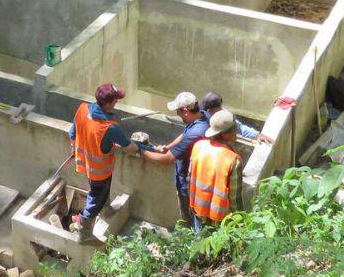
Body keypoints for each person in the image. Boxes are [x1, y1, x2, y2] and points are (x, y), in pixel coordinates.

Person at [68, 83, 143, 242]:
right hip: (99, 171)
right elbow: (129, 147)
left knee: (101, 193)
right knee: (96, 199)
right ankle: (85, 234)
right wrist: (141, 146)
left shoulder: (83, 109)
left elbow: (72, 133)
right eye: (115, 100)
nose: (117, 102)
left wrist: (73, 149)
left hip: (87, 164)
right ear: (108, 103)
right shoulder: (109, 128)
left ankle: (106, 211)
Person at [140, 91, 209, 228]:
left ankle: (191, 240)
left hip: (188, 185)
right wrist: (168, 146)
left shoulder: (196, 132)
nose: (178, 115)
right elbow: (185, 134)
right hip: (193, 178)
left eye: (178, 112)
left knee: (189, 217)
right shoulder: (203, 116)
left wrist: (141, 151)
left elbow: (167, 159)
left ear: (185, 111)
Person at [188, 109, 244, 232]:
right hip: (219, 219)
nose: (236, 131)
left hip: (198, 210)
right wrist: (240, 221)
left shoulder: (198, 146)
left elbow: (190, 177)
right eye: (234, 129)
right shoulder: (233, 160)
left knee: (200, 247)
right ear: (225, 134)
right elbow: (235, 199)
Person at [200, 92, 273, 144]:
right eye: (217, 109)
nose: (221, 110)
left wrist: (257, 135)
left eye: (220, 107)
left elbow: (239, 127)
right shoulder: (201, 121)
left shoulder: (223, 115)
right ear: (208, 110)